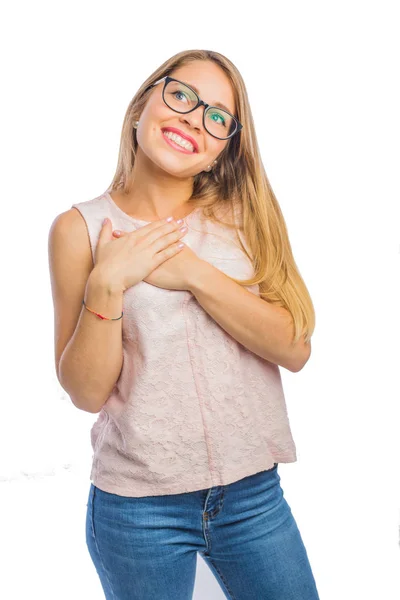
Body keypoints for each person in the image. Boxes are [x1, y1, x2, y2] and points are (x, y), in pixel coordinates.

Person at [48, 49, 319, 599]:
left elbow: (295, 349)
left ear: (224, 149)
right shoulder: (79, 229)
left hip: (254, 499)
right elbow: (85, 391)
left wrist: (194, 274)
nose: (195, 118)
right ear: (141, 106)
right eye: (182, 96)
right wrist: (107, 284)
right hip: (138, 510)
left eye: (217, 117)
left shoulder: (246, 217)